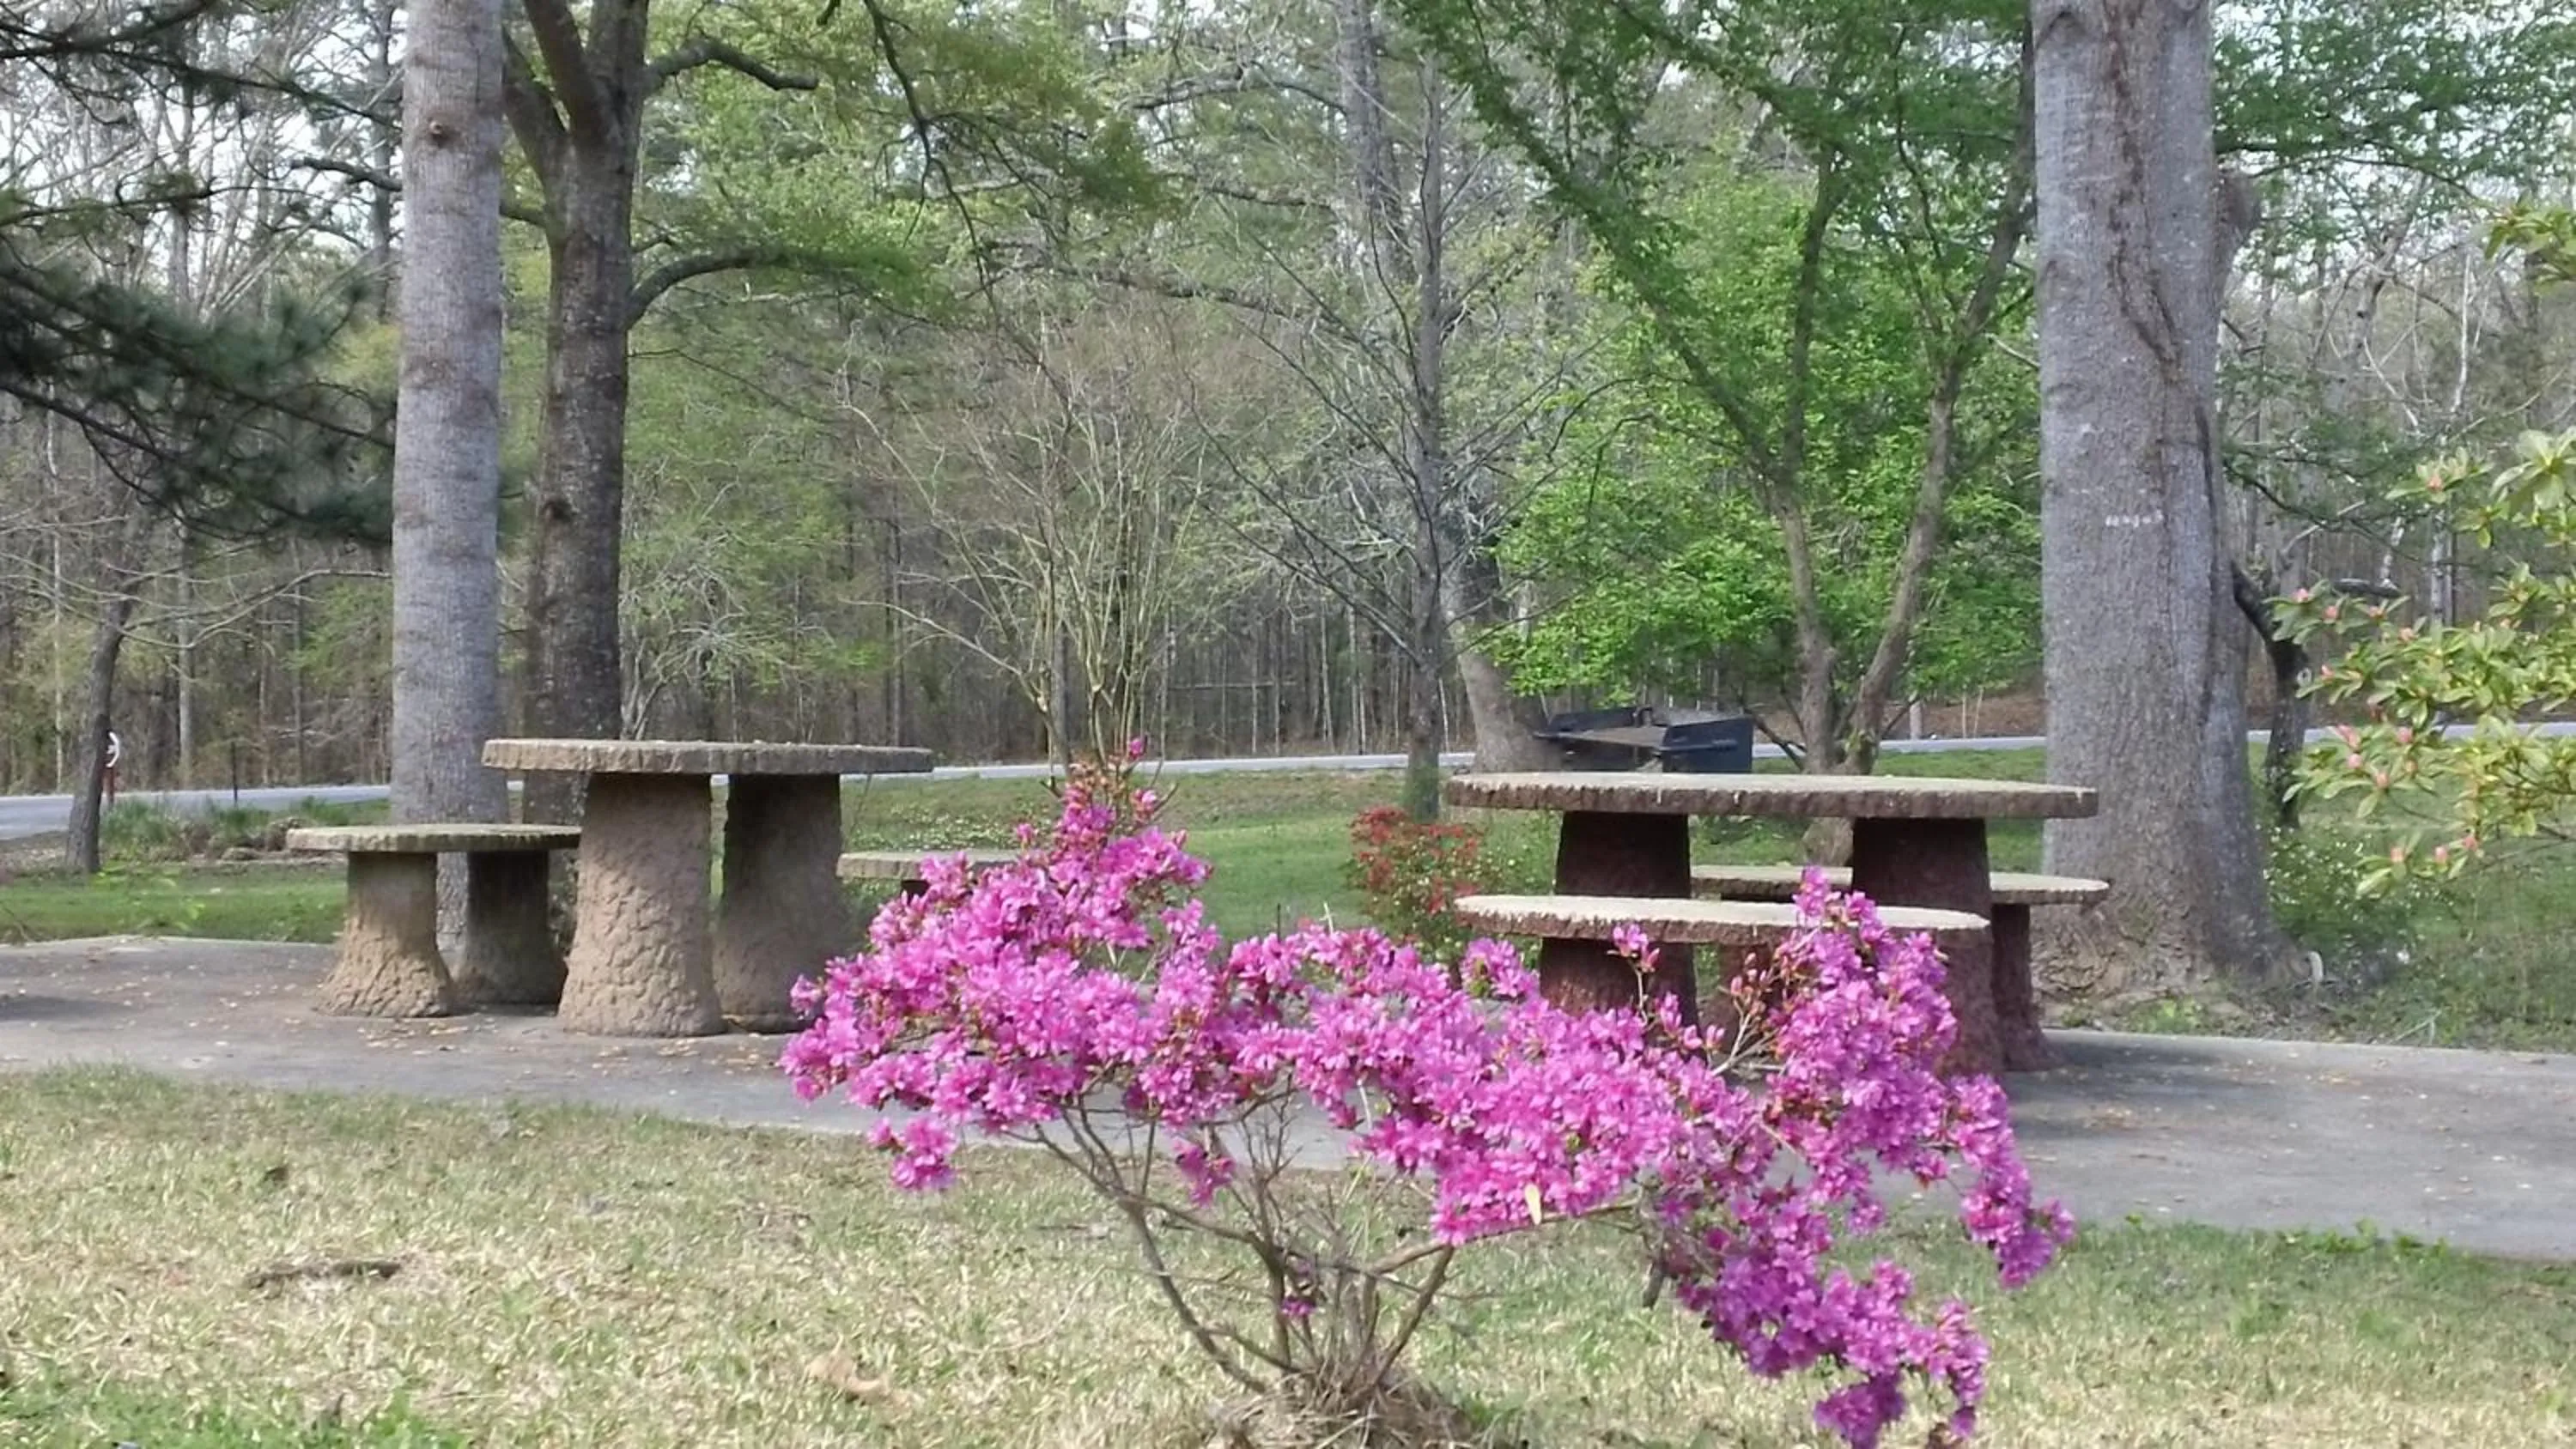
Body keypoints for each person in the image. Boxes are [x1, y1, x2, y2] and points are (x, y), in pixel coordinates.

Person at [102, 727, 122, 808]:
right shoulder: (101, 736)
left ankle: (110, 803)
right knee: (106, 784)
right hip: (103, 762)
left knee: (109, 784)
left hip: (109, 763)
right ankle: (109, 802)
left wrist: (112, 762)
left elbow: (117, 743)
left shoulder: (109, 734)